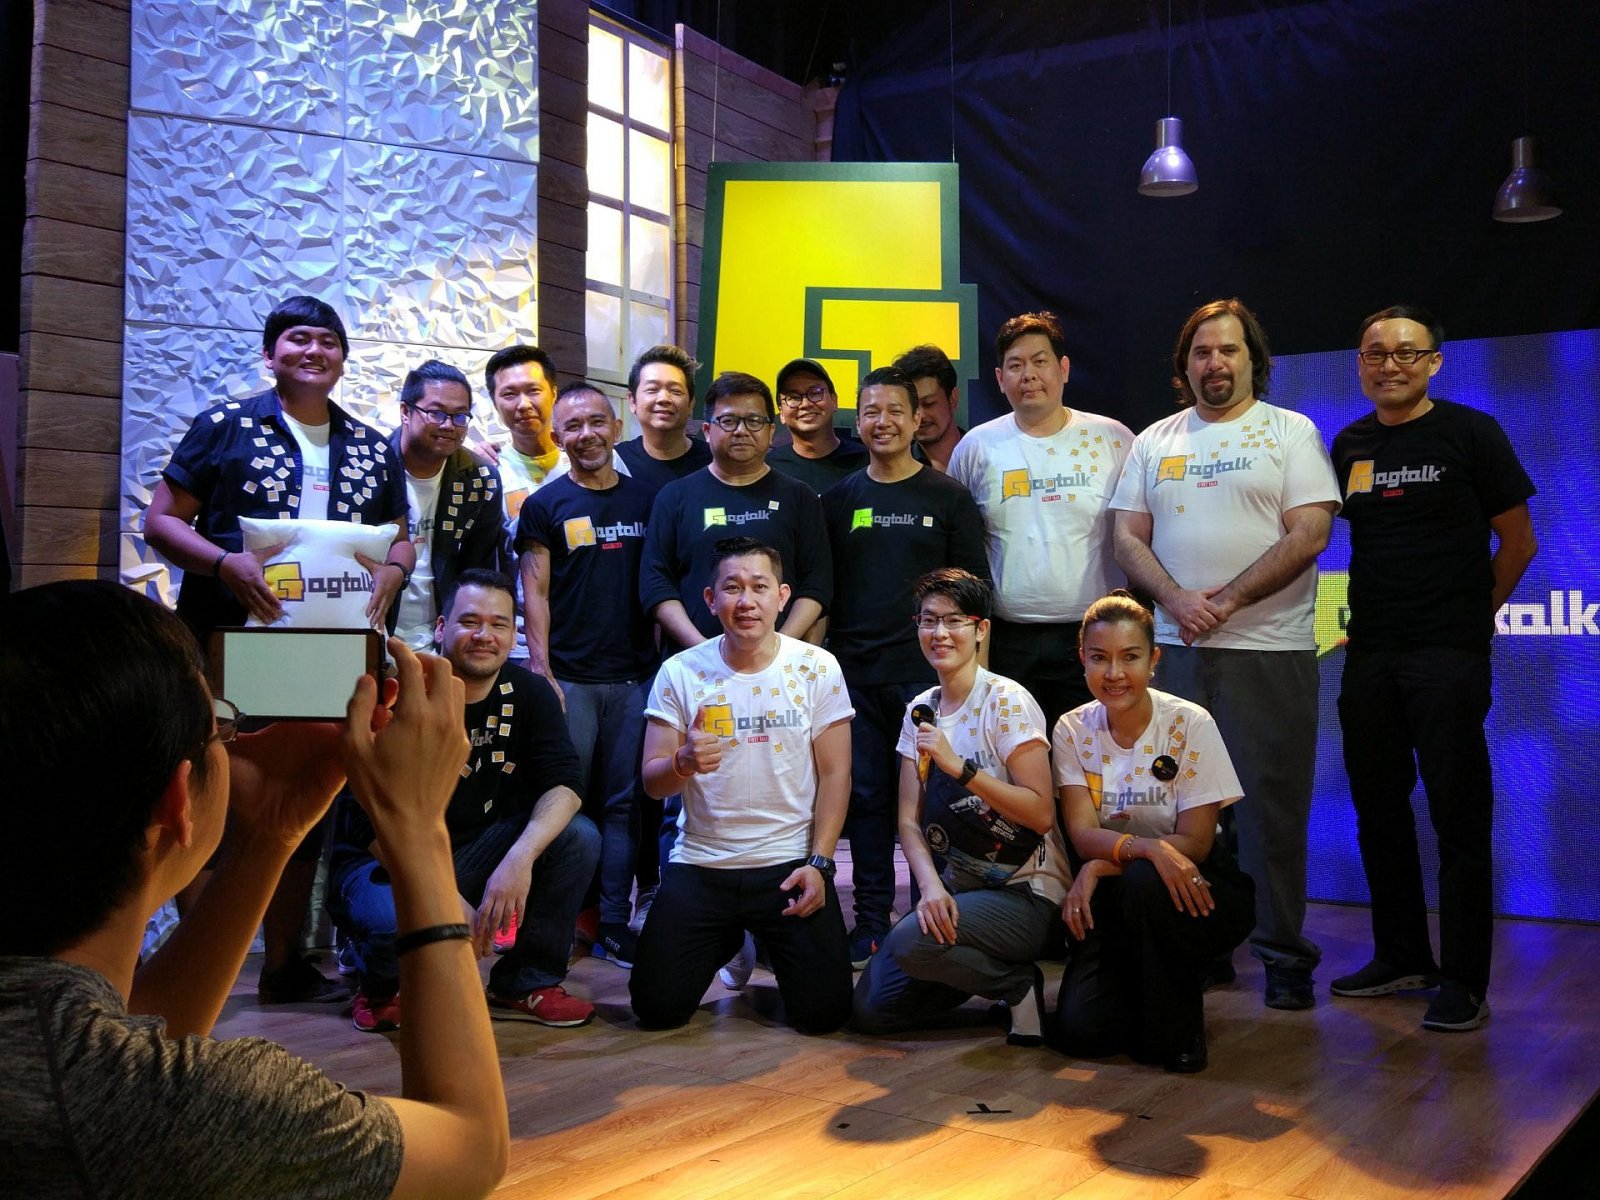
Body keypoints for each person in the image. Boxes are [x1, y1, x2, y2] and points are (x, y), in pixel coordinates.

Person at [0, 580, 509, 1198]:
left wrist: (270, 834)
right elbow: (470, 1151)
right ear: (177, 800)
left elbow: (122, 1041)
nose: (231, 740)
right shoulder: (171, 1107)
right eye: (221, 727)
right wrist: (418, 828)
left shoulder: (76, 1066)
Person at [145, 294, 413, 1006]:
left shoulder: (370, 445)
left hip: (331, 655)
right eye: (298, 339)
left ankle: (284, 965)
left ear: (343, 358)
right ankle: (205, 960)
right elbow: (161, 521)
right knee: (211, 796)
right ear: (270, 354)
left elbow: (400, 537)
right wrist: (222, 564)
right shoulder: (225, 426)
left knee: (304, 802)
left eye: (328, 341)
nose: (313, 351)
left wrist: (395, 569)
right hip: (231, 646)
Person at [1110, 298, 1340, 1010]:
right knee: (1179, 813)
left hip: (1265, 651)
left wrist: (1228, 600)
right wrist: (1176, 602)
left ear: (1252, 359)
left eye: (1229, 350)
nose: (1215, 362)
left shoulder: (1290, 432)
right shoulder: (1154, 440)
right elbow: (1127, 538)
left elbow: (1310, 533)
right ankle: (1203, 947)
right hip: (1172, 653)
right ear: (1185, 365)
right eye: (1202, 352)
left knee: (1270, 814)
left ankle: (1283, 956)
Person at [1328, 305, 1536, 1032]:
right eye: (1375, 353)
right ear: (1360, 364)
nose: (1390, 364)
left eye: (1406, 353)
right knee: (1378, 810)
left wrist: (1472, 615)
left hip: (1447, 655)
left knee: (1458, 816)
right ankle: (1402, 955)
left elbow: (1519, 542)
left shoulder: (1472, 433)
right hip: (1370, 654)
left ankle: (1465, 980)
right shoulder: (1349, 444)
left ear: (1434, 362)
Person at [330, 570, 600, 1032]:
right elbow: (365, 822)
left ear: (513, 634)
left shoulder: (530, 693)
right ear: (441, 627)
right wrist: (445, 898)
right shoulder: (397, 693)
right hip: (387, 860)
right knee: (390, 919)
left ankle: (525, 982)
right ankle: (377, 984)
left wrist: (519, 860)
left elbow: (565, 784)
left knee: (578, 836)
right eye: (470, 621)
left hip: (474, 852)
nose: (484, 635)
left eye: (498, 624)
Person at [629, 537, 855, 1033]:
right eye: (732, 588)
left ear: (782, 596)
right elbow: (653, 783)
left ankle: (761, 934)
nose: (746, 601)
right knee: (656, 1009)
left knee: (825, 1015)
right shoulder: (681, 672)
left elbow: (836, 774)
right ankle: (729, 936)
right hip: (703, 862)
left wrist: (820, 863)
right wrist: (683, 762)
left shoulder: (816, 667)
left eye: (759, 587)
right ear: (711, 600)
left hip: (789, 865)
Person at [850, 569, 1065, 1046]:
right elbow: (908, 820)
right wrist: (929, 886)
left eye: (953, 621)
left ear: (980, 629)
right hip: (960, 891)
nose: (939, 633)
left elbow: (1041, 813)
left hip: (1026, 892)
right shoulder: (920, 709)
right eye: (928, 620)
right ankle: (985, 971)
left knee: (913, 940)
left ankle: (1015, 984)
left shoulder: (1006, 700)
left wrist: (959, 768)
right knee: (872, 1010)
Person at [820, 367, 989, 965]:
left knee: (933, 799)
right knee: (867, 799)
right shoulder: (838, 500)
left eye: (896, 410)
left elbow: (975, 598)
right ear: (858, 421)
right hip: (857, 676)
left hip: (930, 680)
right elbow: (823, 592)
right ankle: (871, 920)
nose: (883, 422)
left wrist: (972, 686)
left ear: (918, 419)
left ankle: (930, 913)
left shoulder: (948, 497)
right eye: (871, 411)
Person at [1052, 591, 1255, 1073]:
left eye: (1130, 657)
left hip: (1197, 887)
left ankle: (1181, 1029)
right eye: (1099, 658)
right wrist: (1139, 850)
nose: (1114, 673)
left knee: (1147, 881)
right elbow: (1082, 834)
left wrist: (1103, 864)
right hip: (1115, 892)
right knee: (1081, 1034)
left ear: (1154, 659)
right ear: (1082, 659)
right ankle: (1137, 988)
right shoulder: (1071, 729)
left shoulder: (1190, 722)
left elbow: (1196, 843)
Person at [518, 383, 657, 968]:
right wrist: (542, 672)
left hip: (635, 680)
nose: (586, 435)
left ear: (617, 427)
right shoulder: (544, 505)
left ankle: (614, 923)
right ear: (557, 436)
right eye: (572, 426)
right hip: (569, 680)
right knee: (562, 801)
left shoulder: (649, 500)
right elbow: (536, 592)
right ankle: (553, 924)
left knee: (625, 805)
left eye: (597, 422)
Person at [948, 310, 1134, 730]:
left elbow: (1141, 531)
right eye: (1015, 365)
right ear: (1000, 379)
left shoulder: (1114, 439)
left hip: (1095, 635)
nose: (1028, 375)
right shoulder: (976, 447)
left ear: (1063, 369)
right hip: (1007, 639)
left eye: (1040, 361)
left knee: (1093, 750)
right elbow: (959, 541)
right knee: (1013, 750)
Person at [639, 370, 832, 652]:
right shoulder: (674, 497)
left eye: (754, 421)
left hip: (780, 666)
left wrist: (778, 650)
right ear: (707, 431)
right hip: (694, 665)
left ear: (770, 431)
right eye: (728, 421)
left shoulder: (800, 497)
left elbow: (817, 584)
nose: (741, 431)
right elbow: (656, 584)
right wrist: (705, 653)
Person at [386, 360, 506, 650]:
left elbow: (477, 571)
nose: (449, 425)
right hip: (374, 625)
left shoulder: (480, 479)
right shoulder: (372, 466)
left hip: (443, 637)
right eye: (436, 413)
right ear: (405, 411)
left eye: (460, 416)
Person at [616, 344, 712, 495]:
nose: (663, 399)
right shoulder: (616, 462)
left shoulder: (715, 462)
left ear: (691, 403)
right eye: (652, 389)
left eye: (675, 391)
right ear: (632, 401)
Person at [765, 358, 869, 493]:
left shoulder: (866, 462)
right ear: (781, 413)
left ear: (834, 400)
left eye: (815, 393)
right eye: (793, 397)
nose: (805, 404)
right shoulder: (768, 469)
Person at [892, 343, 964, 473]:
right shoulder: (896, 471)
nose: (920, 416)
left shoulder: (985, 455)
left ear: (952, 398)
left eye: (929, 403)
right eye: (912, 406)